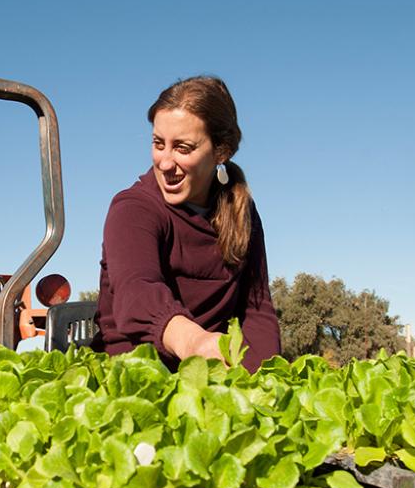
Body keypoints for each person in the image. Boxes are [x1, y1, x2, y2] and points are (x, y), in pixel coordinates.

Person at [92, 76, 280, 372]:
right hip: (134, 374)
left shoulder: (241, 208)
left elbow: (257, 310)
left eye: (182, 148)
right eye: (158, 144)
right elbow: (137, 291)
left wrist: (265, 380)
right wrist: (194, 343)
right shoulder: (133, 208)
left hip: (211, 377)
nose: (165, 163)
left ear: (221, 151)